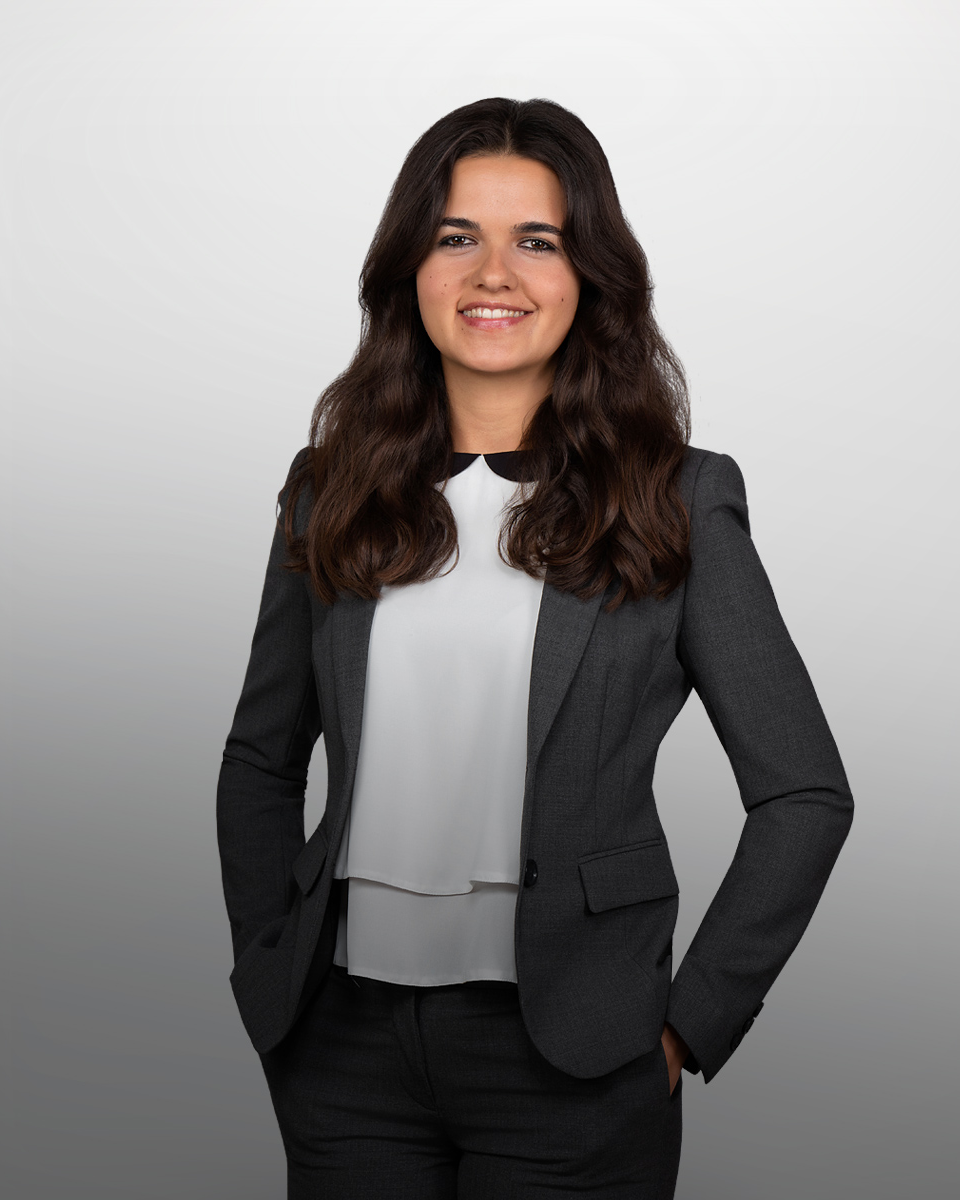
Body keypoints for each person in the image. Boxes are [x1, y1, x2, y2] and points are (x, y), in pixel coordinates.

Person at [216, 96, 853, 1200]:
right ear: (410, 268)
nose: (493, 273)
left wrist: (686, 1029)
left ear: (590, 276)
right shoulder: (329, 491)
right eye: (457, 236)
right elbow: (260, 761)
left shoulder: (679, 500)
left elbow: (805, 794)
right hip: (345, 1053)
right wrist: (271, 972)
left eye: (538, 241)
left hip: (576, 1058)